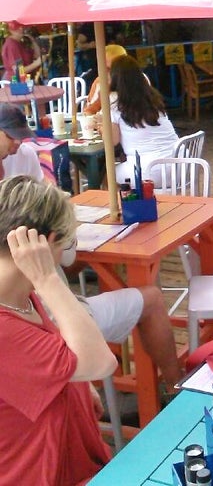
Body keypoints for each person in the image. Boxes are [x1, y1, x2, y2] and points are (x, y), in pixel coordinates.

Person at [0, 102, 184, 396]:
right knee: (151, 299)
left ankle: (123, 385)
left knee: (78, 268)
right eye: (10, 136)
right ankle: (176, 387)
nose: (18, 141)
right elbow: (98, 362)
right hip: (59, 316)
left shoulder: (22, 166)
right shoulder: (34, 286)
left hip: (42, 314)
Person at [0, 175, 117, 485]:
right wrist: (47, 277)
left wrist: (77, 385)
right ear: (47, 242)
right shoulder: (19, 305)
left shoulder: (18, 297)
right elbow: (101, 363)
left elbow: (54, 352)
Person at [108, 55, 178, 184]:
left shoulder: (114, 99)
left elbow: (112, 140)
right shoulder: (151, 95)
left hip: (148, 171)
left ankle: (122, 204)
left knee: (108, 175)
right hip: (181, 166)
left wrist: (103, 127)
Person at [82, 43, 127, 116]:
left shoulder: (139, 80)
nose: (106, 72)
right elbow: (89, 111)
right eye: (103, 67)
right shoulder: (100, 82)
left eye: (110, 68)